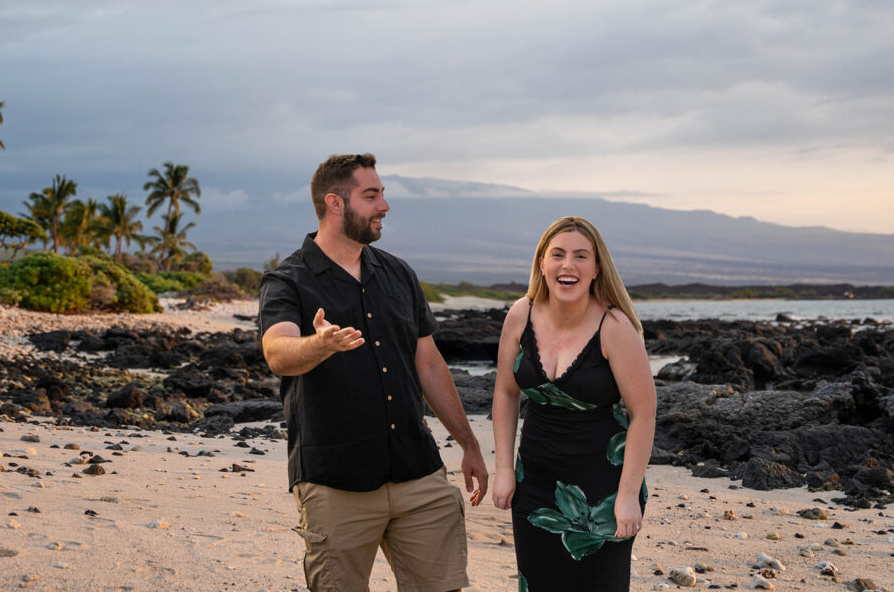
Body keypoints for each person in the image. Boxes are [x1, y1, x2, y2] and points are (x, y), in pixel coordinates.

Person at [258, 153, 488, 592]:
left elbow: (429, 363)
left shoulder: (398, 274)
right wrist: (319, 344)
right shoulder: (288, 281)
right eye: (372, 195)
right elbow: (278, 352)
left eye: (381, 193)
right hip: (335, 483)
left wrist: (469, 444)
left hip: (418, 473)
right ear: (335, 203)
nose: (384, 205)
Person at [491, 216, 656, 591]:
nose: (569, 265)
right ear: (542, 263)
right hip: (534, 485)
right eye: (558, 255)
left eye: (581, 256)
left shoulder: (615, 327)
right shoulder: (521, 314)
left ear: (597, 268)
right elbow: (505, 392)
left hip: (604, 490)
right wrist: (503, 470)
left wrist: (628, 496)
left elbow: (644, 413)